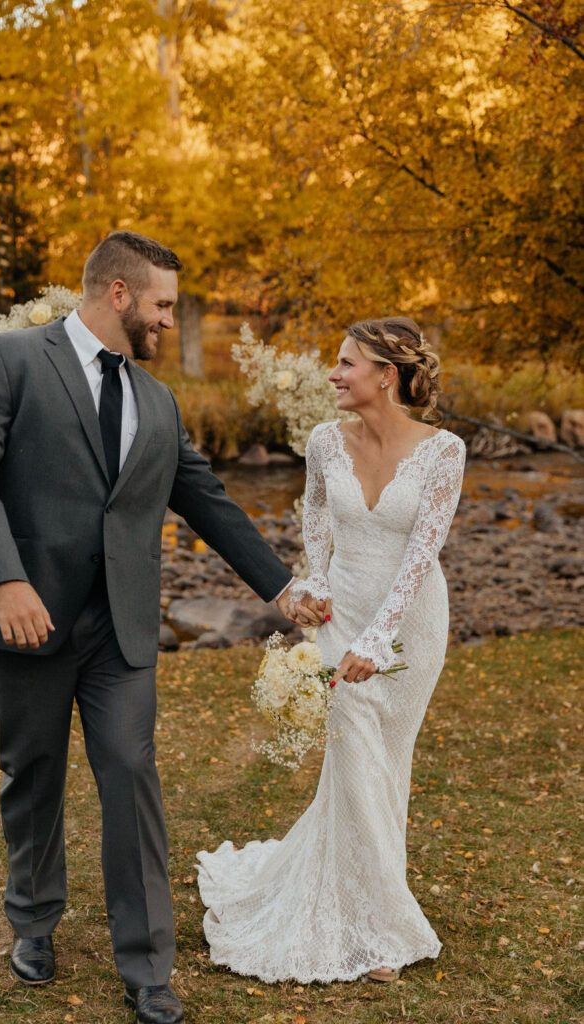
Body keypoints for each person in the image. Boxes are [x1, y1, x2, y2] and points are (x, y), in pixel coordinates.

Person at [0, 230, 323, 1024]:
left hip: (123, 630)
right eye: (162, 305)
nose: (166, 320)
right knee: (33, 775)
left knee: (131, 778)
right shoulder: (9, 361)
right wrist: (3, 579)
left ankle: (147, 966)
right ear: (118, 293)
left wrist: (281, 587)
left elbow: (206, 499)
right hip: (29, 620)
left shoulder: (157, 399)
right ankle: (33, 921)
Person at [197, 317, 466, 985]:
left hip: (409, 622)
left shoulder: (443, 451)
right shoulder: (323, 441)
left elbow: (419, 555)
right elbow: (314, 516)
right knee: (351, 746)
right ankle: (379, 929)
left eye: (346, 363)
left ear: (385, 375)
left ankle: (371, 907)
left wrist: (380, 639)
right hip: (340, 613)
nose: (332, 374)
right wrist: (314, 579)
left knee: (386, 760)